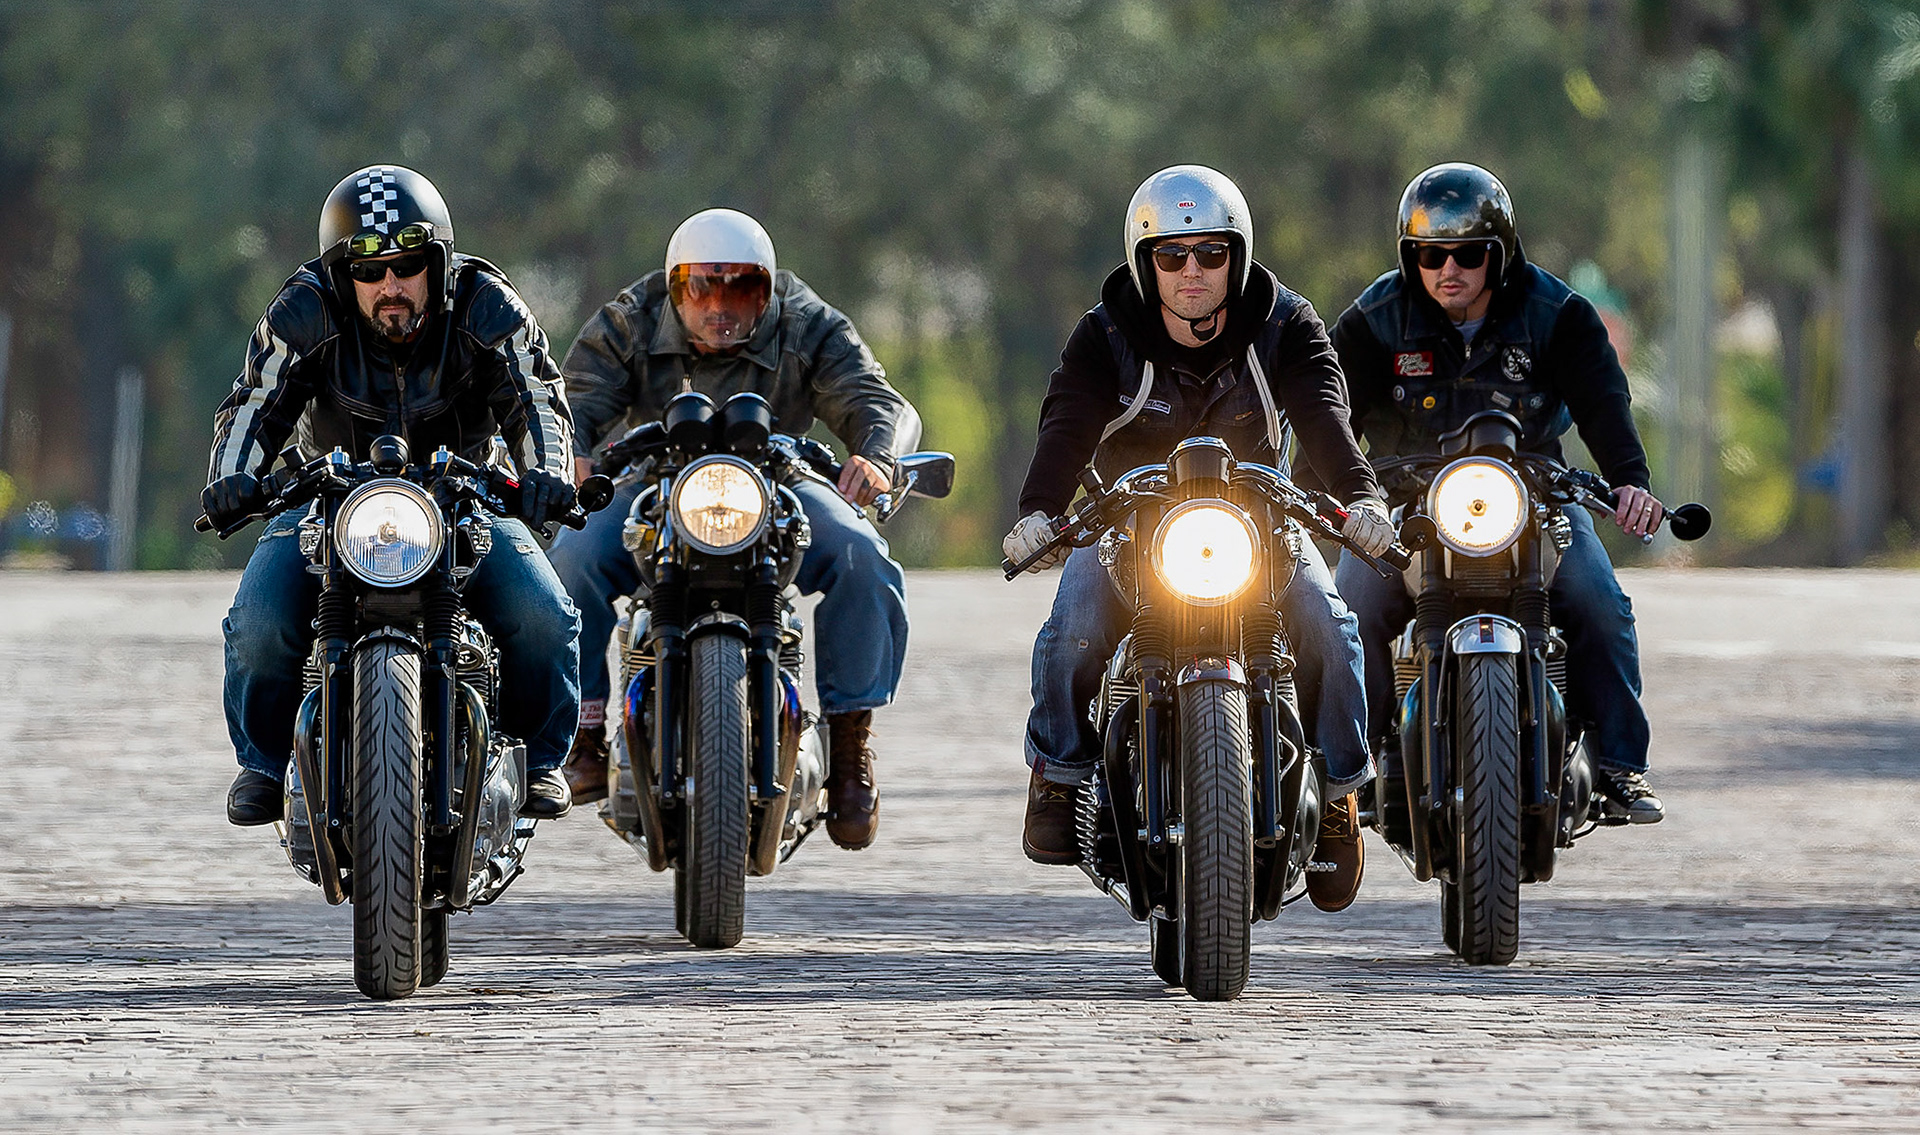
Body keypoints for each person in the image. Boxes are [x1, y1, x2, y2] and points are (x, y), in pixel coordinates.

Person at [1002, 165, 1396, 912]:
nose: (1192, 272)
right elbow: (1067, 421)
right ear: (1143, 261)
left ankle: (1342, 793)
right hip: (1128, 525)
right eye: (1172, 255)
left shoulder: (1287, 322)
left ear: (1238, 258)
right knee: (1072, 631)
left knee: (1332, 625)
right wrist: (1040, 508)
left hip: (1263, 523)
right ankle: (1057, 770)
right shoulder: (1105, 333)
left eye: (1211, 254)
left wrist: (1362, 497)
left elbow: (1323, 414)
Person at [204, 165, 583, 826]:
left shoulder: (483, 302)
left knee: (544, 615)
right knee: (260, 622)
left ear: (437, 262)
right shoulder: (305, 307)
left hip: (465, 492)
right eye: (369, 271)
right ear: (341, 275)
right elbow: (254, 401)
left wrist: (547, 470)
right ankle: (264, 762)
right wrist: (232, 476)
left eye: (407, 265)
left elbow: (537, 395)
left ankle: (536, 758)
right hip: (328, 493)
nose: (390, 286)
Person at [550, 208, 919, 850]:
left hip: (778, 480)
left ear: (768, 290)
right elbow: (569, 401)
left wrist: (875, 458)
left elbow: (871, 399)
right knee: (571, 557)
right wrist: (572, 455)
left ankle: (852, 745)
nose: (719, 305)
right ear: (673, 289)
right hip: (654, 478)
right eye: (701, 288)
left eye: (741, 289)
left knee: (864, 554)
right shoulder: (629, 319)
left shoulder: (806, 320)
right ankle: (584, 733)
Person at [1326, 162, 1667, 822]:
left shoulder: (1559, 314)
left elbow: (1603, 402)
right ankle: (1354, 768)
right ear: (1411, 257)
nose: (1447, 269)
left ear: (1500, 252)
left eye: (1467, 253)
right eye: (1430, 254)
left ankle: (1622, 765)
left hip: (1537, 489)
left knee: (1600, 600)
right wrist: (1325, 489)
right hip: (1404, 500)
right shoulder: (1373, 320)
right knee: (1350, 611)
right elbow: (1326, 412)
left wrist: (1631, 482)